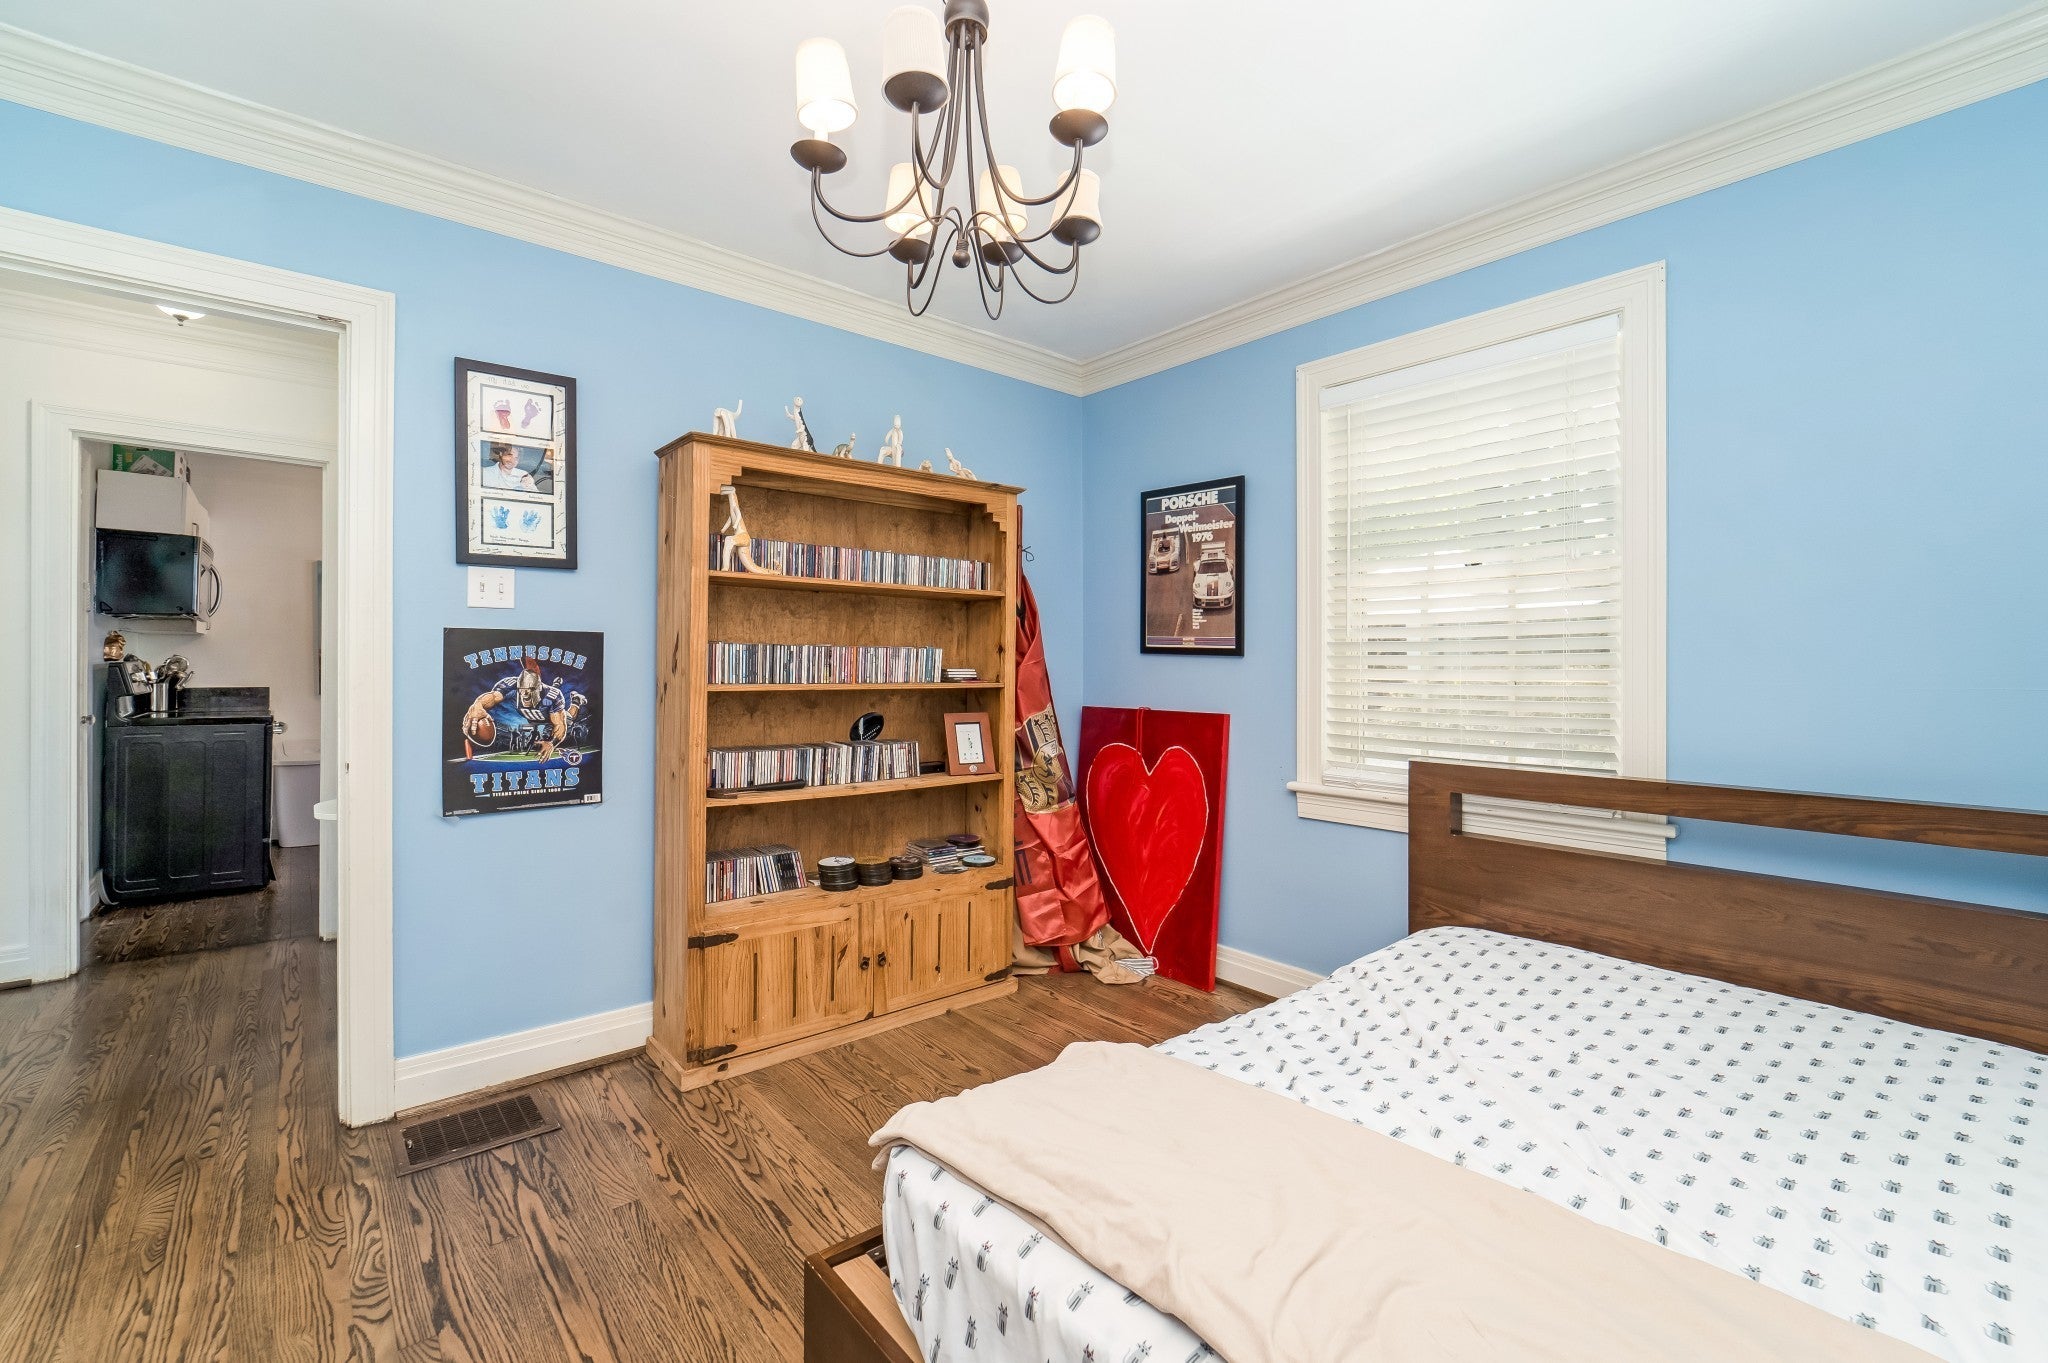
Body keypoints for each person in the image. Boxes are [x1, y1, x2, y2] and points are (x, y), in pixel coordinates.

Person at [463, 655, 567, 760]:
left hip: (548, 720)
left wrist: (552, 743)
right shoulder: (511, 686)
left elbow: (560, 726)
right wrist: (478, 705)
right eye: (522, 689)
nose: (525, 694)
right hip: (532, 720)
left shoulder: (552, 696)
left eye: (530, 689)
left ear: (539, 688)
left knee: (568, 719)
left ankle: (572, 699)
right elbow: (493, 697)